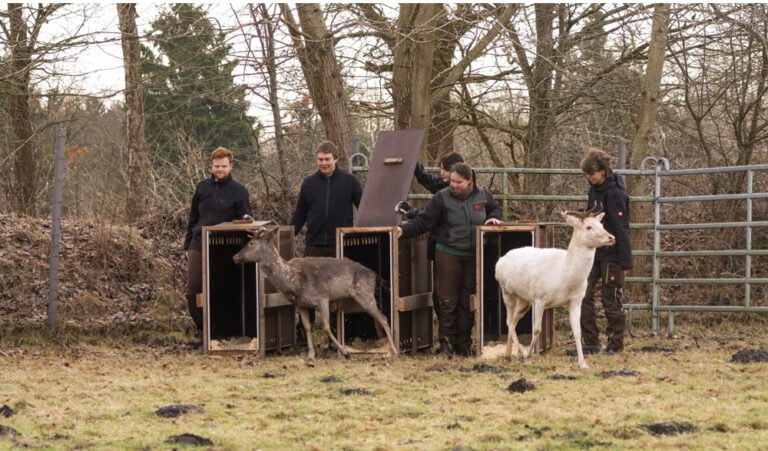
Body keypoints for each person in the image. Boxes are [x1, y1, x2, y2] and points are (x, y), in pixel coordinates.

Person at [397, 163, 502, 357]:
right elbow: (425, 221)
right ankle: (446, 345)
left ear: (469, 181)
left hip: (473, 256)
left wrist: (494, 218)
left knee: (467, 301)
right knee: (447, 300)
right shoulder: (441, 198)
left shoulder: (483, 195)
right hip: (448, 253)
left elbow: (495, 207)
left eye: (458, 182)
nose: (453, 185)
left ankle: (464, 344)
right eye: (452, 181)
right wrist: (404, 230)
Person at [396, 152, 464, 352]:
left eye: (443, 168)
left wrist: (412, 213)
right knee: (441, 297)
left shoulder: (451, 193)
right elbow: (430, 182)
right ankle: (449, 342)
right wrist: (414, 165)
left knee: (447, 298)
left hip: (448, 250)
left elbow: (433, 219)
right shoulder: (446, 187)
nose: (440, 172)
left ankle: (452, 342)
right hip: (441, 249)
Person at [184, 147, 253, 333]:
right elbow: (193, 217)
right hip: (198, 244)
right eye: (216, 166)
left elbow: (246, 219)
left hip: (224, 247)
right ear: (211, 166)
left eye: (223, 166)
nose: (220, 169)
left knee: (222, 290)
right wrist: (187, 246)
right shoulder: (202, 187)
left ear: (231, 166)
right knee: (194, 290)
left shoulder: (239, 191)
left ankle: (221, 332)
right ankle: (203, 329)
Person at [579, 147, 632, 355]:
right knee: (583, 294)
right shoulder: (594, 190)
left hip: (613, 254)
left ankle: (615, 344)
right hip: (593, 252)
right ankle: (590, 342)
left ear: (603, 170)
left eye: (591, 174)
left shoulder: (615, 193)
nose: (589, 178)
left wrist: (626, 261)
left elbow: (622, 227)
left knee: (611, 298)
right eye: (587, 174)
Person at [291, 140, 363, 257]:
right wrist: (287, 236)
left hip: (342, 245)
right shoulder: (308, 183)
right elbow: (300, 214)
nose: (324, 163)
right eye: (320, 159)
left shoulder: (350, 181)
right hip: (313, 246)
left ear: (335, 159)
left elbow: (364, 209)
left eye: (327, 159)